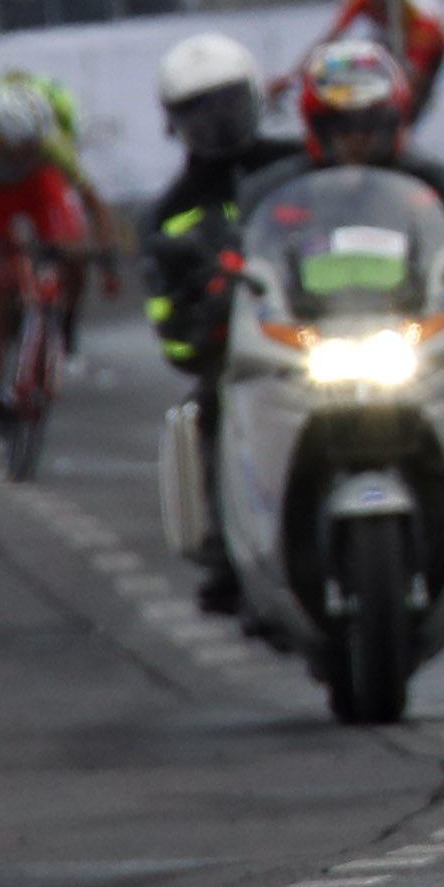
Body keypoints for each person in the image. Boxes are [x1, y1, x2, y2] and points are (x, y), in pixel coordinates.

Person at [143, 32, 298, 613]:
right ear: (173, 122)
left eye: (228, 102)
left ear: (255, 98)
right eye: (199, 110)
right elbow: (167, 316)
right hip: (243, 347)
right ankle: (225, 544)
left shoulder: (302, 164)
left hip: (328, 322)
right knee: (214, 405)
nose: (218, 122)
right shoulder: (169, 214)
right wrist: (200, 317)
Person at [243, 40, 444, 322]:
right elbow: (244, 253)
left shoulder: (431, 179)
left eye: (370, 125)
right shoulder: (277, 187)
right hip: (303, 324)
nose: (357, 139)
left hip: (411, 322)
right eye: (342, 127)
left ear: (393, 121)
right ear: (318, 127)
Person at [0, 73, 118, 429]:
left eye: (30, 148)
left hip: (38, 188)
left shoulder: (52, 147)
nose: (23, 155)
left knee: (72, 251)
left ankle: (66, 321)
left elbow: (93, 204)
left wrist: (106, 260)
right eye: (16, 149)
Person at [321, 0, 444, 116]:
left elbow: (415, 82)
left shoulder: (427, 29)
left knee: (410, 97)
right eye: (379, 5)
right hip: (395, 39)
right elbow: (330, 37)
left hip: (423, 44)